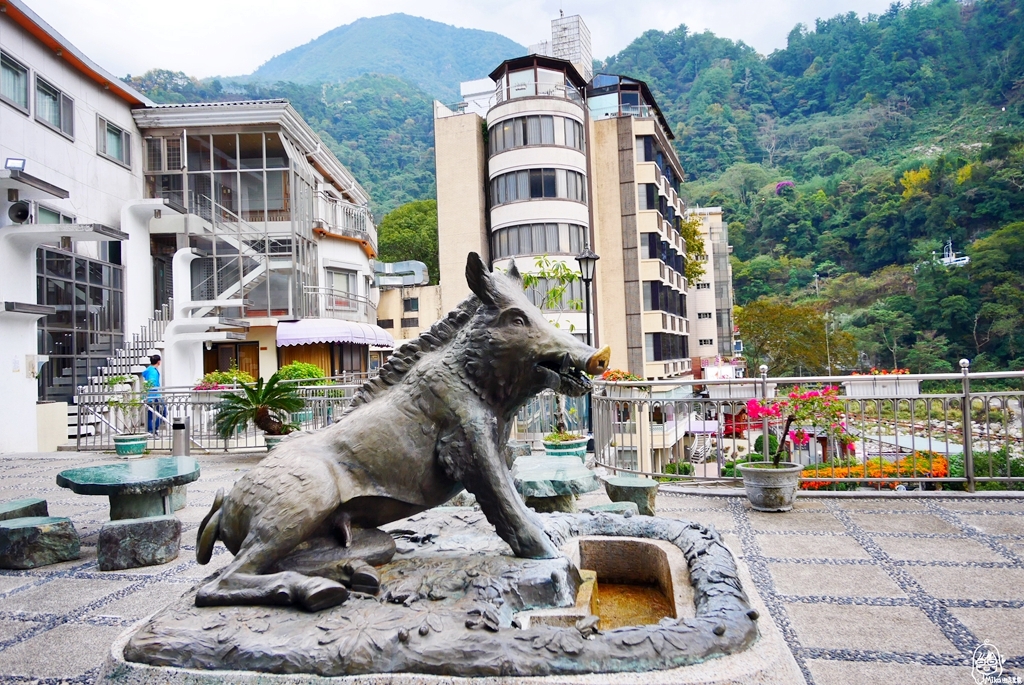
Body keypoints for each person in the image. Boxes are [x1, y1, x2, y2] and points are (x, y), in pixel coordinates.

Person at [141, 354, 164, 434]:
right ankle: (153, 429)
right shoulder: (153, 371)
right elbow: (152, 383)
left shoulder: (149, 370)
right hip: (154, 395)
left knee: (150, 414)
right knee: (163, 412)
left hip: (148, 395)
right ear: (158, 362)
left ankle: (151, 430)